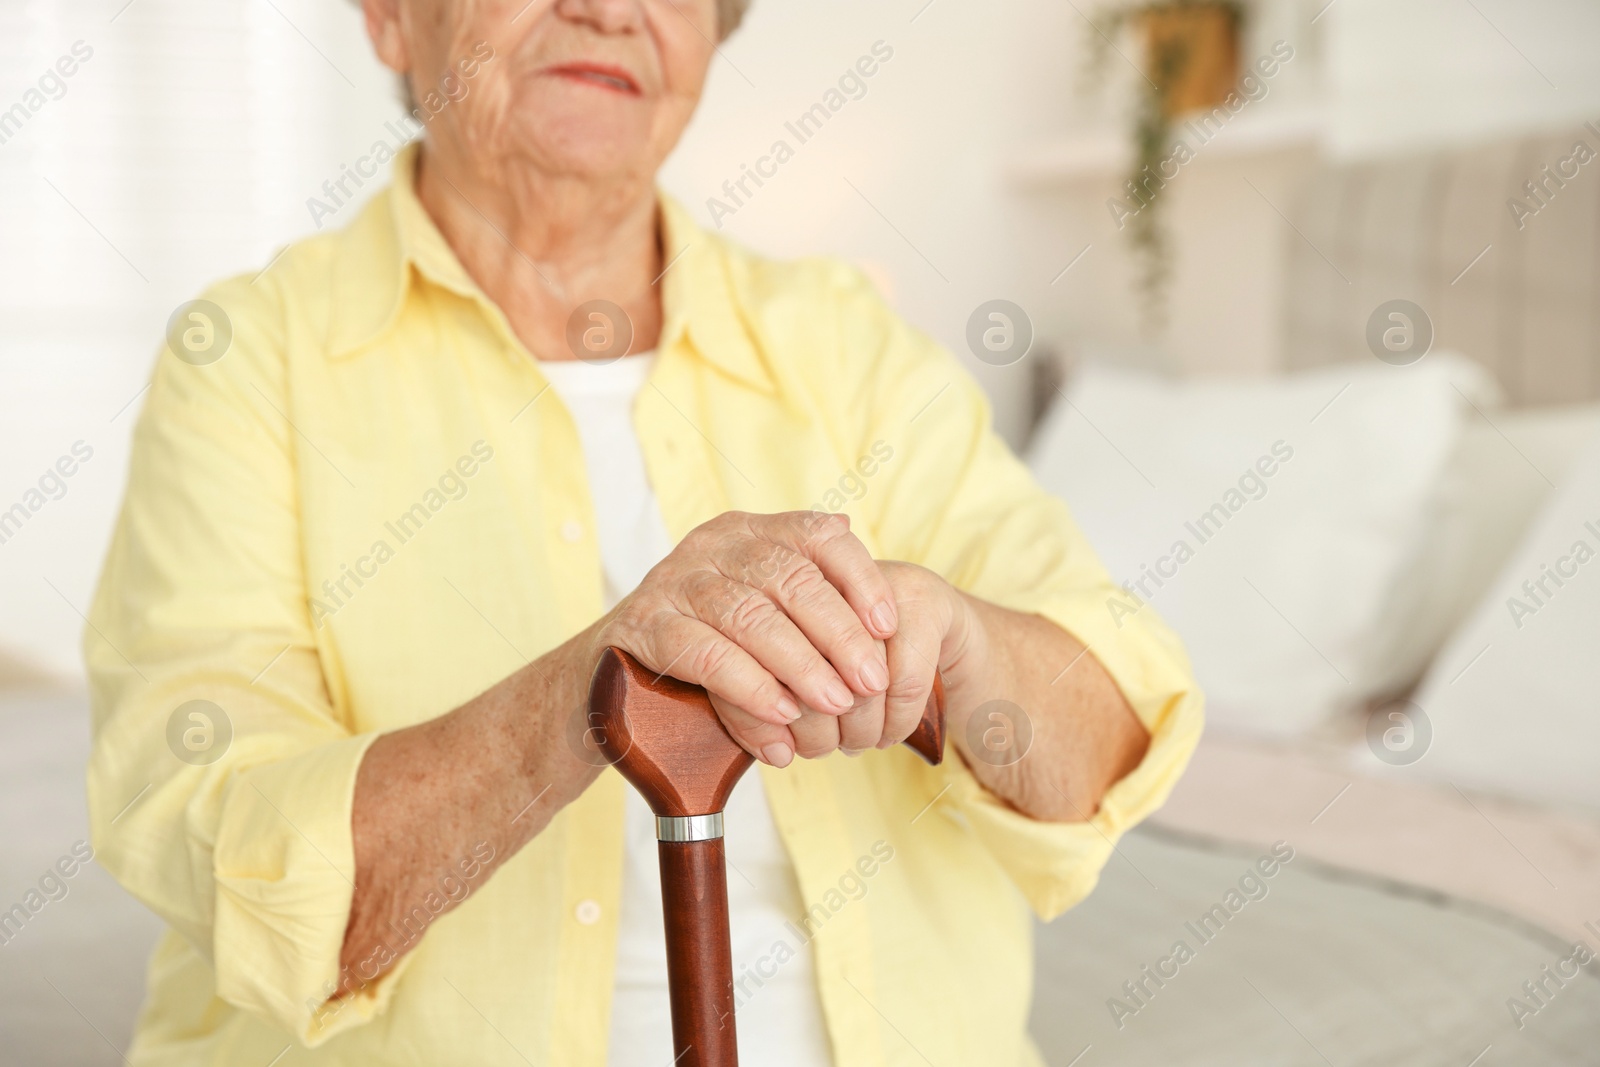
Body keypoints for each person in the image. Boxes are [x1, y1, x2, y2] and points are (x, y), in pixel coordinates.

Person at [84, 0, 1203, 1063]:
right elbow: (236, 873)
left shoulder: (846, 342)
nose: (611, 8)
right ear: (386, 14)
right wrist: (598, 683)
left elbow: (1110, 740)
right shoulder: (244, 361)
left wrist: (959, 643)